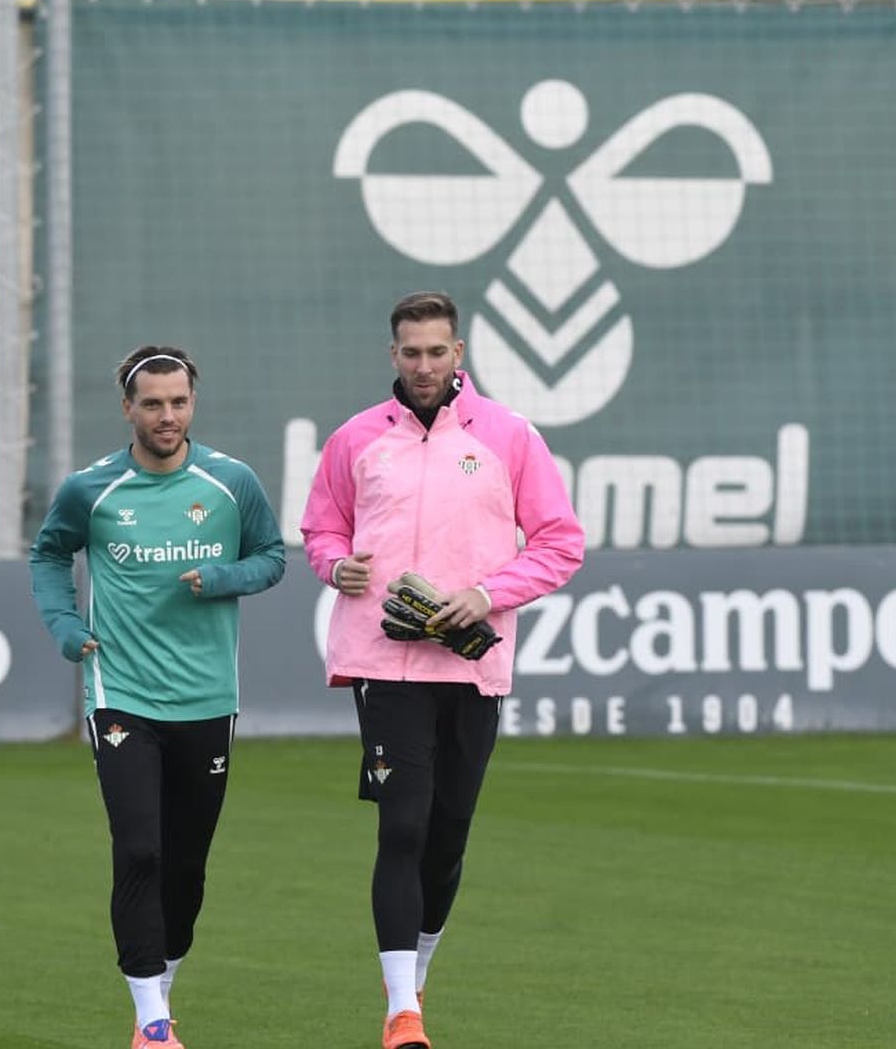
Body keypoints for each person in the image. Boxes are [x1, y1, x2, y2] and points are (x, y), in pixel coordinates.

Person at [301, 292, 585, 1049]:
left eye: (436, 352)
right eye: (410, 353)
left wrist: (486, 596)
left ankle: (416, 975)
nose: (423, 366)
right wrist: (338, 567)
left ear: (457, 353)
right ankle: (403, 1013)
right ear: (391, 356)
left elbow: (560, 542)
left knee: (447, 835)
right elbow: (322, 527)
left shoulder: (511, 437)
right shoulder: (356, 438)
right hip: (383, 662)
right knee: (403, 826)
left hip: (470, 664)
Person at [30, 346, 286, 1049]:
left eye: (178, 402)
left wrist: (225, 576)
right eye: (152, 403)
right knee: (138, 847)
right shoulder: (92, 490)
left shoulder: (231, 482)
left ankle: (162, 983)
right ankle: (149, 1019)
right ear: (128, 409)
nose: (166, 415)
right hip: (121, 694)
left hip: (207, 697)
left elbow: (272, 557)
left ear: (192, 404)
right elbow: (49, 553)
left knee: (186, 865)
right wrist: (62, 623)